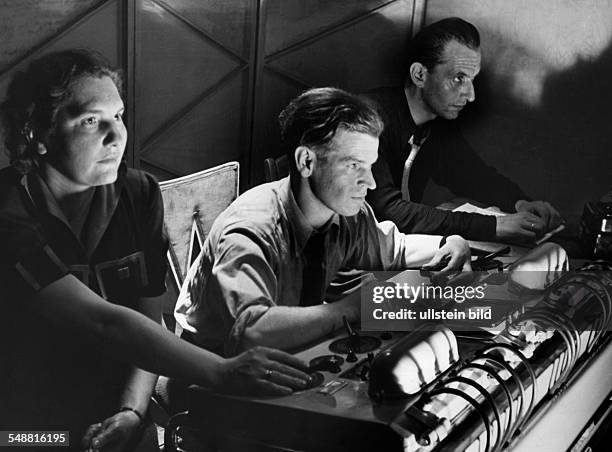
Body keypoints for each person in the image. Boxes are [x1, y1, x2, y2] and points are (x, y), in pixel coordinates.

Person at [0, 49, 310, 452]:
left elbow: (148, 317)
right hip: (26, 423)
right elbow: (103, 323)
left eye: (119, 116)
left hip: (119, 405)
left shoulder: (139, 193)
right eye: (92, 121)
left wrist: (131, 411)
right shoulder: (8, 211)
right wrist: (221, 372)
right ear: (37, 135)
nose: (117, 136)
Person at [174, 87, 471, 357]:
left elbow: (393, 248)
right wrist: (349, 310)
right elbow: (253, 331)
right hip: (209, 374)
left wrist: (446, 245)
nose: (368, 182)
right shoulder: (249, 230)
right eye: (354, 165)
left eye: (370, 166)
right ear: (306, 162)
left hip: (285, 355)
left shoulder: (344, 213)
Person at [366, 17, 563, 244]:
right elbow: (388, 211)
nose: (470, 95)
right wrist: (494, 226)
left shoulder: (436, 122)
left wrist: (519, 202)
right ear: (419, 74)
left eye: (471, 79)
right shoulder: (368, 118)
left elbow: (470, 174)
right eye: (458, 78)